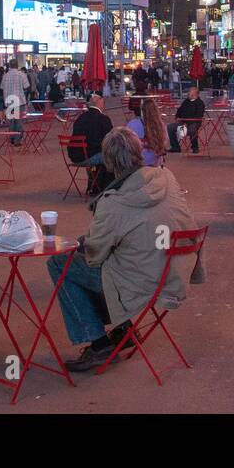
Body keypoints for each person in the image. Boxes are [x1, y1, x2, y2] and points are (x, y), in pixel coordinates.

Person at [47, 128, 202, 372]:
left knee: (61, 263)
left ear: (107, 161)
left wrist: (83, 244)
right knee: (116, 256)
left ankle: (98, 343)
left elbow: (93, 255)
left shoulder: (113, 202)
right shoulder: (166, 178)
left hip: (143, 283)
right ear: (138, 151)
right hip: (174, 272)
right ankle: (123, 329)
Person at [70, 94, 114, 193]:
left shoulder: (80, 118)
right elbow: (110, 140)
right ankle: (106, 186)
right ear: (99, 103)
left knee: (99, 154)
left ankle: (94, 183)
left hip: (75, 156)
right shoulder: (103, 119)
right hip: (90, 157)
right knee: (112, 156)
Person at [126, 97, 168, 167]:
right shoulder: (161, 125)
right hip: (156, 164)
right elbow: (165, 144)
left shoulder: (132, 124)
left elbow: (127, 146)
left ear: (141, 111)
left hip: (138, 165)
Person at [169, 86, 205, 153]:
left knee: (192, 129)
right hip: (183, 122)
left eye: (191, 94)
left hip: (194, 122)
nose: (189, 95)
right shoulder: (186, 101)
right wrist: (177, 117)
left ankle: (195, 147)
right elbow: (180, 110)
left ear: (196, 95)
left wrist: (187, 122)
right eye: (189, 93)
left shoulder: (200, 103)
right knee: (170, 127)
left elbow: (199, 116)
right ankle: (175, 147)